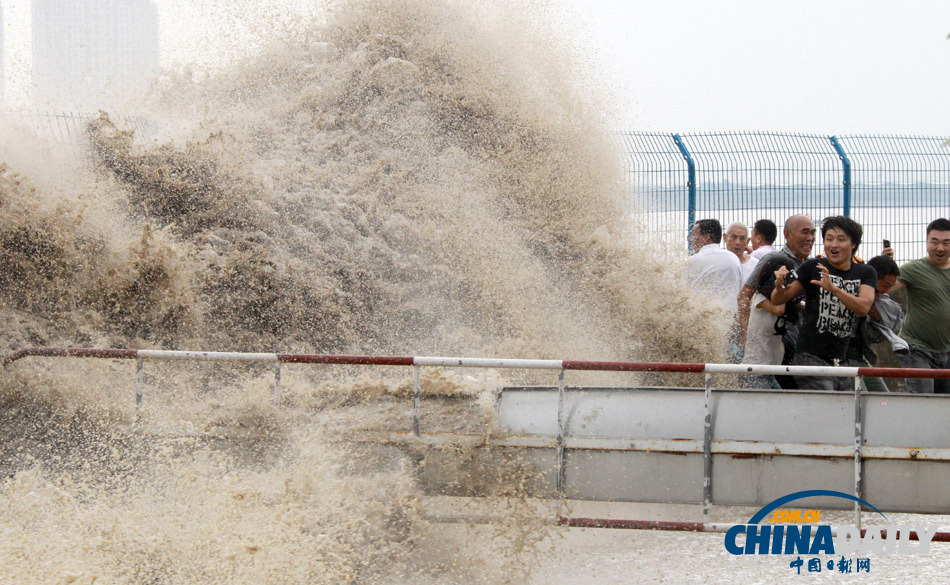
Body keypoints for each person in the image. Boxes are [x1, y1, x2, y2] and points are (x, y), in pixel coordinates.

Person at [771, 216, 877, 390]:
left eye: (841, 240)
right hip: (810, 357)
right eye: (829, 239)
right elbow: (778, 299)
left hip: (841, 360)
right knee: (826, 402)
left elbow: (864, 307)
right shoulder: (813, 267)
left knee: (847, 404)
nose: (833, 245)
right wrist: (779, 286)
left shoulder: (865, 272)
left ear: (853, 244)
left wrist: (834, 289)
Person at [736, 215, 816, 383]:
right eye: (804, 232)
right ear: (787, 234)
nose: (810, 238)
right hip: (774, 349)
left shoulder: (811, 266)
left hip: (801, 350)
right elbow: (745, 295)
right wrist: (744, 337)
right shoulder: (775, 261)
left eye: (813, 233)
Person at [885, 218, 950, 393]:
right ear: (927, 242)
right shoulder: (914, 269)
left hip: (946, 349)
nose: (940, 248)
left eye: (946, 243)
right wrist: (885, 267)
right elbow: (883, 288)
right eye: (934, 242)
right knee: (923, 400)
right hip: (917, 347)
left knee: (945, 405)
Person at [846, 255, 907, 392]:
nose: (886, 291)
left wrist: (876, 315)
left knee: (883, 398)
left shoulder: (881, 301)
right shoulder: (849, 293)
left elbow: (888, 323)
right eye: (885, 285)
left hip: (860, 357)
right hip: (843, 358)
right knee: (862, 398)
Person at [741, 255, 797, 389]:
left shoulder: (786, 300)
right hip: (755, 369)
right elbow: (779, 310)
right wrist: (781, 284)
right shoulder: (759, 297)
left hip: (770, 369)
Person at [685, 219, 742, 313]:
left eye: (694, 235)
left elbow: (684, 292)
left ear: (707, 237)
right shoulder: (733, 258)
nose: (692, 240)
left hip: (702, 316)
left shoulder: (692, 261)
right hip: (730, 316)